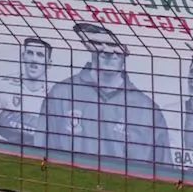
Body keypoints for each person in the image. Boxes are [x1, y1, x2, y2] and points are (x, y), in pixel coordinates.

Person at [42, 23, 170, 162]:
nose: (108, 51)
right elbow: (39, 154)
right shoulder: (61, 94)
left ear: (127, 49)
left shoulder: (148, 110)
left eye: (115, 44)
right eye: (98, 43)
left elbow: (164, 170)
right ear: (87, 45)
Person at [0, 37, 52, 147]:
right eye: (30, 53)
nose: (34, 60)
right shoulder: (4, 85)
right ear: (23, 56)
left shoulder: (53, 96)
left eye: (40, 55)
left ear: (49, 64)